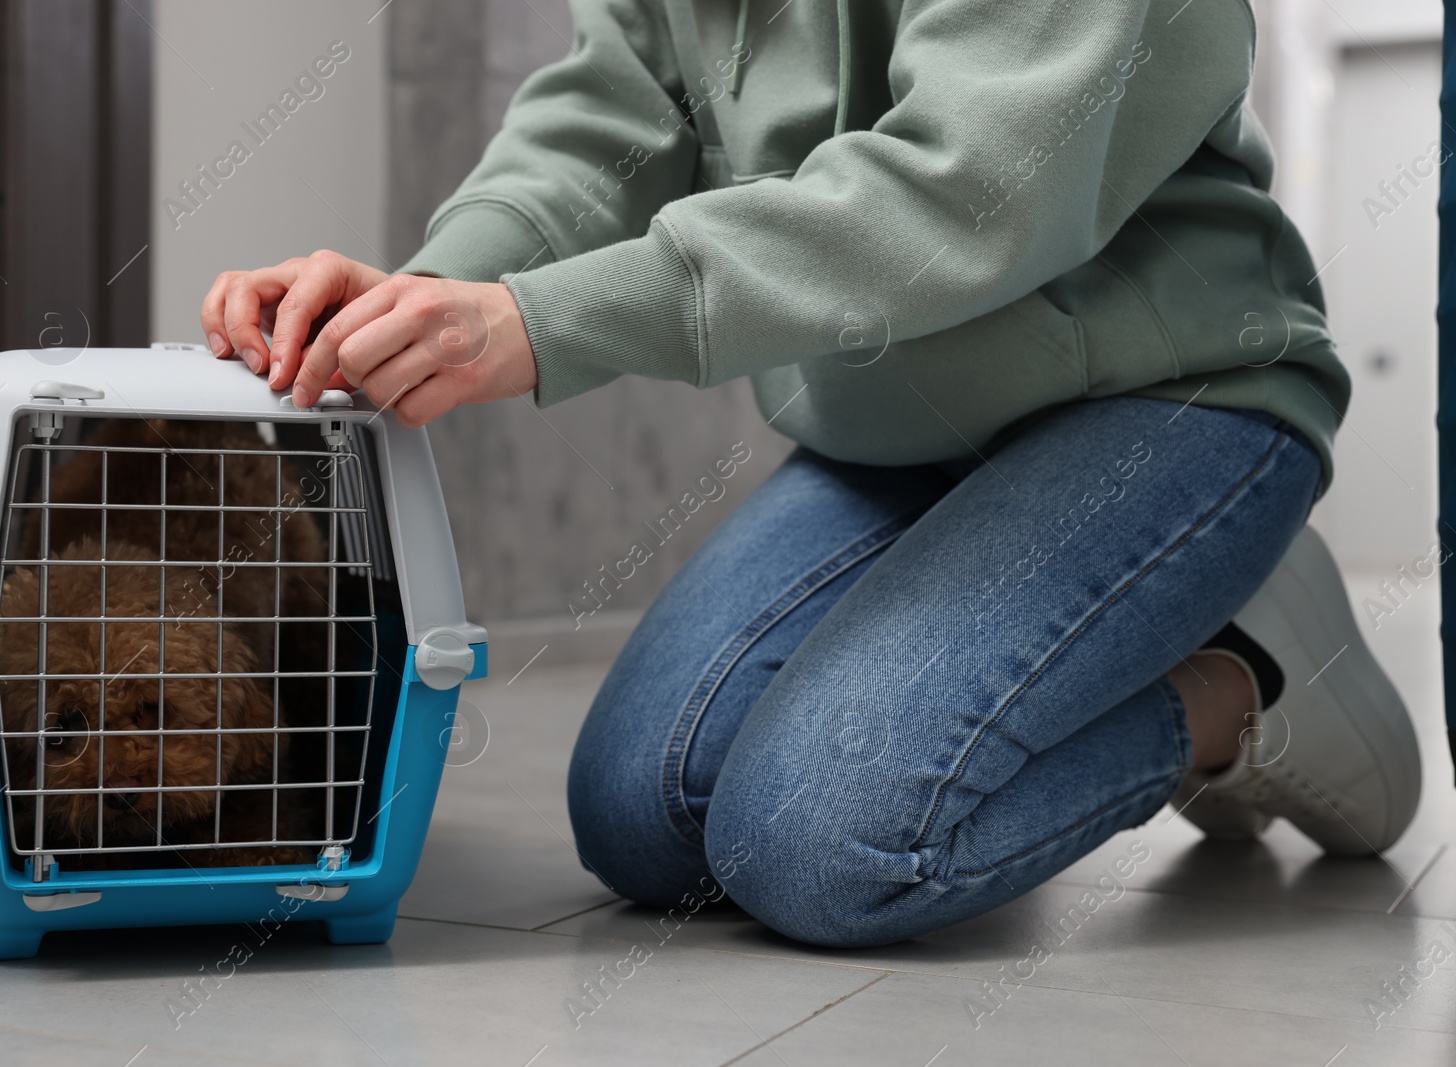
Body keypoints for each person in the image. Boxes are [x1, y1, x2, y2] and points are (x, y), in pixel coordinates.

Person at [199, 0, 1422, 948]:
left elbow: (967, 192)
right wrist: (426, 295)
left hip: (1169, 400)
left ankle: (1243, 682)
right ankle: (1114, 622)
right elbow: (601, 134)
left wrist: (545, 320)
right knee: (643, 817)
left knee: (827, 844)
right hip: (899, 436)